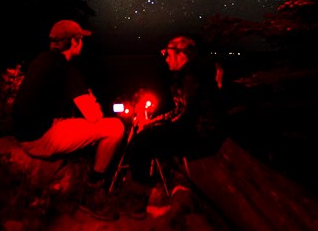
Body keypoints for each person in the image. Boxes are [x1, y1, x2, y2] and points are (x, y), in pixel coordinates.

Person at [11, 19, 125, 221]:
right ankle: (93, 189)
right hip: (40, 139)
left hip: (25, 132)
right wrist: (93, 101)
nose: (82, 43)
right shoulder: (66, 68)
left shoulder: (41, 60)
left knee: (73, 121)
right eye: (80, 39)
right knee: (114, 127)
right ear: (73, 42)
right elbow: (94, 116)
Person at [123, 35, 225, 219]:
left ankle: (141, 198)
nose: (166, 58)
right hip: (198, 129)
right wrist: (160, 120)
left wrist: (164, 127)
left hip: (202, 135)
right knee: (149, 136)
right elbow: (183, 110)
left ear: (181, 55)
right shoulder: (186, 75)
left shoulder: (192, 75)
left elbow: (192, 115)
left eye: (168, 54)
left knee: (141, 142)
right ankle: (156, 190)